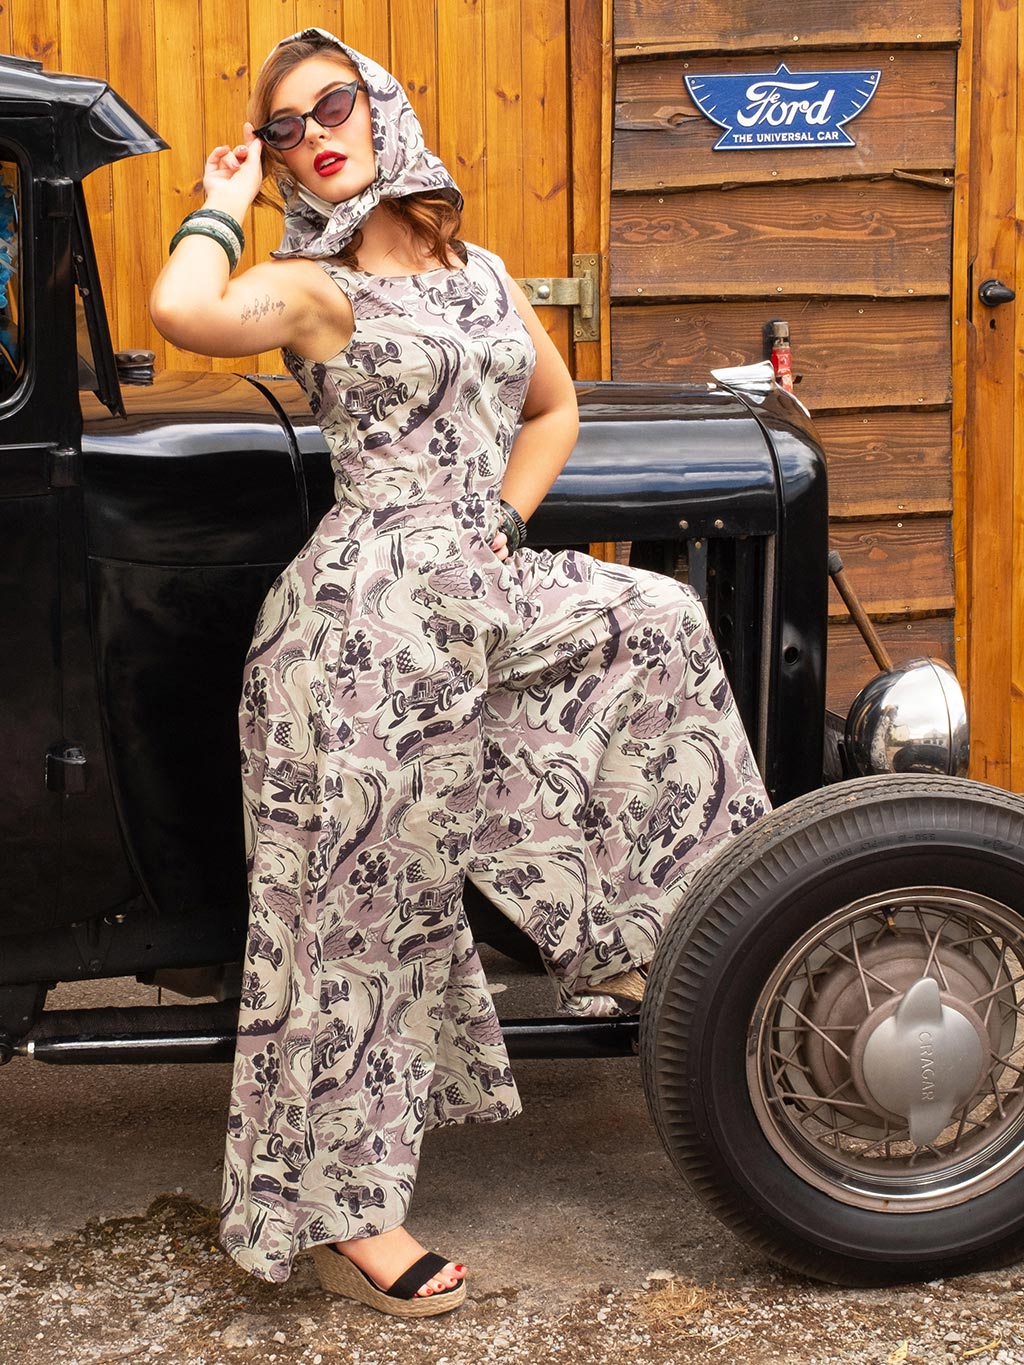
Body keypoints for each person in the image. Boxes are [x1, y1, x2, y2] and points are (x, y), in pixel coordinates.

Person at [149, 27, 769, 1319]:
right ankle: (350, 1215)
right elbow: (182, 314)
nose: (314, 135)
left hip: (476, 586)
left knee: (657, 619)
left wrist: (503, 518)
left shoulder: (480, 273)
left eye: (333, 105)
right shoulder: (316, 289)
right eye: (284, 129)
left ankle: (655, 938)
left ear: (384, 106)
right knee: (358, 919)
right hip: (360, 629)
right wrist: (220, 203)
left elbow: (553, 408)